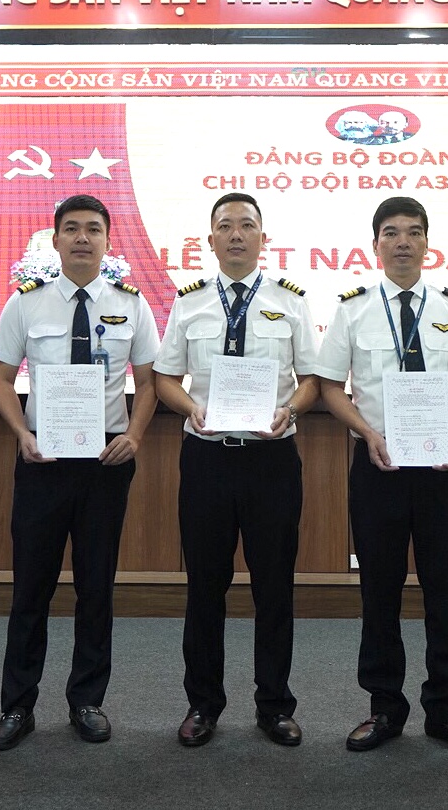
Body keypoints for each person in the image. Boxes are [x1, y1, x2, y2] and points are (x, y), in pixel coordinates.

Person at [315, 196, 448, 754]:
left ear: (427, 243)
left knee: (447, 591)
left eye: (414, 232)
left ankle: (447, 709)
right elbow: (328, 387)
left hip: (441, 468)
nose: (403, 242)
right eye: (391, 233)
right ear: (376, 245)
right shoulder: (353, 309)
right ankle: (384, 707)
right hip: (379, 467)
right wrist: (367, 433)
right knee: (379, 590)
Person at [0, 194, 159, 750]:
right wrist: (21, 434)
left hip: (106, 460)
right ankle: (17, 706)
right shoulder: (25, 303)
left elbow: (150, 384)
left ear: (108, 241)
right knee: (30, 587)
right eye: (72, 229)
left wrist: (134, 436)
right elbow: (0, 379)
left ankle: (87, 700)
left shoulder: (132, 304)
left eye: (93, 229)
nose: (82, 238)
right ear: (55, 239)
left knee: (96, 586)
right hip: (44, 457)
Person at [154, 192, 320, 748]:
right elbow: (165, 378)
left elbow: (313, 379)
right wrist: (190, 409)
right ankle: (203, 704)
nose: (236, 235)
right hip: (208, 457)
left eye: (247, 225)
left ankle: (275, 705)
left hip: (272, 459)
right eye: (225, 226)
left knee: (274, 586)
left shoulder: (291, 301)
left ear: (263, 239)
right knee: (206, 585)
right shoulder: (189, 302)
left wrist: (289, 410)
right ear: (210, 240)